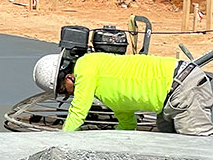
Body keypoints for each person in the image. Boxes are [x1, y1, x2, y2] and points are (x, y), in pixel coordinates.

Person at [32, 51, 213, 134]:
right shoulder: (106, 90)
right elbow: (127, 121)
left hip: (182, 86)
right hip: (170, 98)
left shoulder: (85, 67)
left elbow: (78, 111)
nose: (68, 96)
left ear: (68, 77)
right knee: (167, 143)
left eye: (64, 91)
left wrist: (61, 140)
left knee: (195, 147)